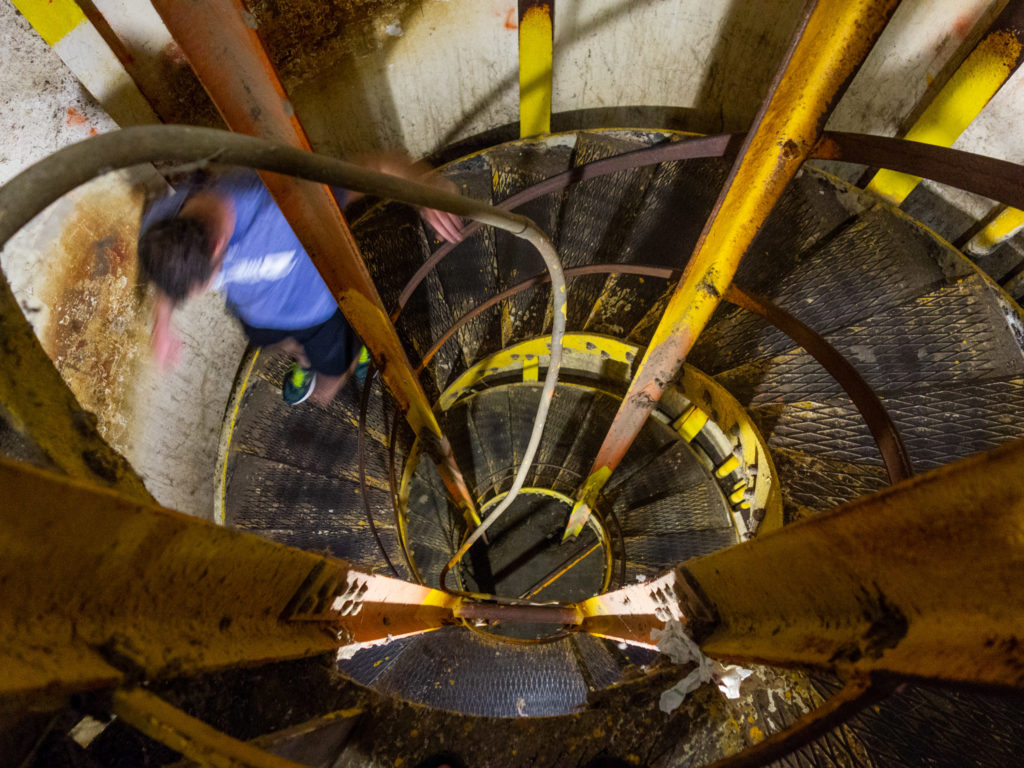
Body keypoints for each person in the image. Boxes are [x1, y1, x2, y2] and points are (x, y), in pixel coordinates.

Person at [137, 157, 462, 406]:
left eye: (207, 281)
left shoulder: (282, 204)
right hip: (255, 312)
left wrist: (425, 187)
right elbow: (169, 275)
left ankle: (352, 356)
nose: (209, 288)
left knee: (332, 370)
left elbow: (374, 166)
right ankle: (306, 360)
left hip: (317, 312)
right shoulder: (162, 224)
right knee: (278, 342)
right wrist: (162, 319)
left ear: (217, 245)